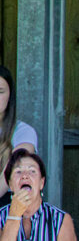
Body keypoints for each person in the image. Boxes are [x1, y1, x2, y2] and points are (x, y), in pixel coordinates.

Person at [0, 65, 37, 199]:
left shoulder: (23, 131)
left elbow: (17, 165)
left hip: (9, 207)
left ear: (10, 96)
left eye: (0, 91)